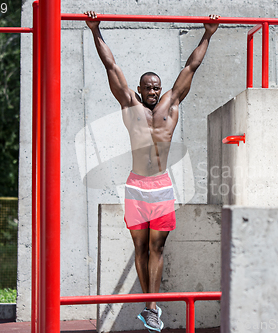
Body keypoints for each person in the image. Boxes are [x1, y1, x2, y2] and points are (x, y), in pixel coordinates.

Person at [85, 11, 219, 332]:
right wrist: (95, 29)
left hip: (160, 186)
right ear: (141, 89)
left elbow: (191, 67)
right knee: (140, 249)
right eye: (148, 87)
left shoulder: (171, 105)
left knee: (157, 248)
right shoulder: (131, 107)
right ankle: (150, 307)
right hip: (136, 186)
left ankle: (150, 307)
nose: (153, 91)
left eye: (156, 87)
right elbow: (112, 66)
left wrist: (208, 34)